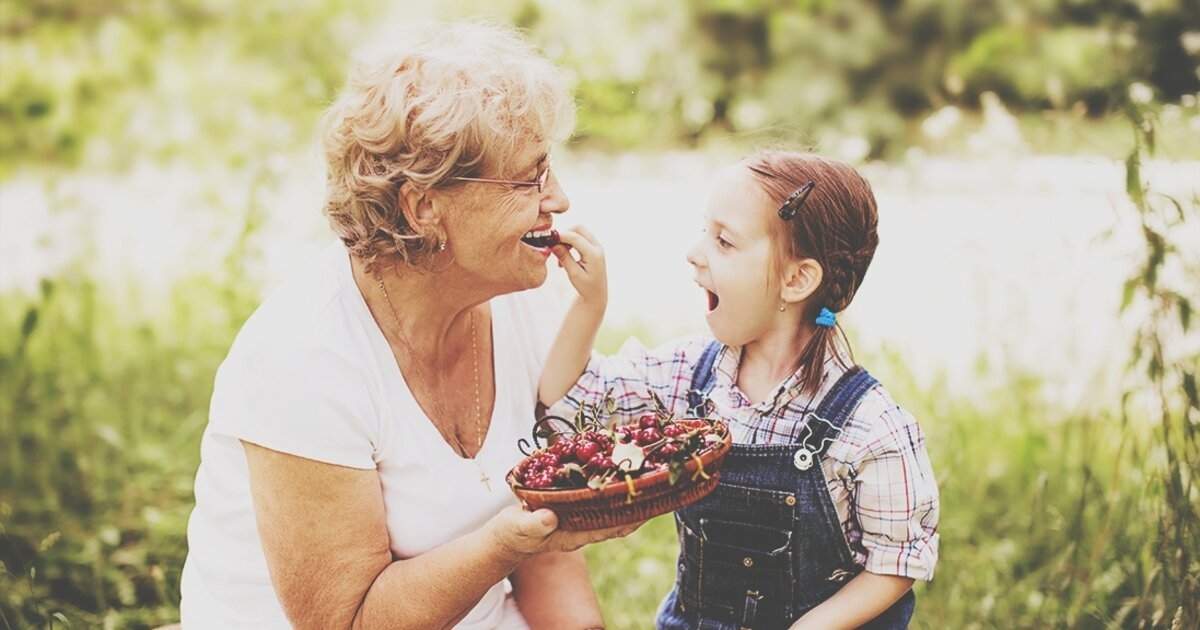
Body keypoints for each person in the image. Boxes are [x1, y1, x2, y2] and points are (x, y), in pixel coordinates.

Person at [180, 22, 637, 630]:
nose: (558, 198)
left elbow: (550, 563)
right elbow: (347, 621)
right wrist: (508, 542)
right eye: (528, 177)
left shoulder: (528, 303)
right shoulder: (303, 357)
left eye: (548, 166)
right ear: (425, 207)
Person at [540, 151, 940, 629]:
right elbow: (568, 404)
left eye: (724, 241)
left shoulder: (868, 426)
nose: (694, 252)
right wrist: (589, 303)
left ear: (796, 279)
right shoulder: (690, 376)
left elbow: (897, 561)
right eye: (705, 231)